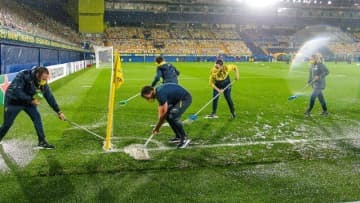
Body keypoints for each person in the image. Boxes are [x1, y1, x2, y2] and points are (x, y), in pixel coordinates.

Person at [0, 66, 65, 148]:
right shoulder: (23, 74)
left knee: (37, 118)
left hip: (28, 102)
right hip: (13, 101)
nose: (45, 81)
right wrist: (31, 100)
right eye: (43, 79)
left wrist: (59, 111)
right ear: (37, 75)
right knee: (7, 124)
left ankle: (42, 141)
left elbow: (49, 96)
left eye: (46, 79)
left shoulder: (43, 82)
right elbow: (17, 91)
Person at [141, 84, 192, 148]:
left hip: (184, 99)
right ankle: (178, 136)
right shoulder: (157, 91)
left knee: (173, 116)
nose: (148, 99)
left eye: (147, 97)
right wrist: (159, 118)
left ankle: (184, 138)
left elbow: (164, 113)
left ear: (150, 92)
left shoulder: (160, 93)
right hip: (176, 101)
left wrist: (157, 128)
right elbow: (160, 106)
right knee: (168, 116)